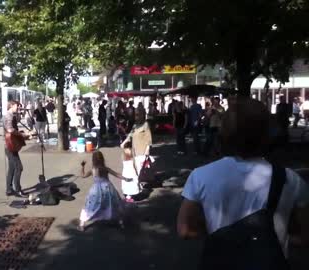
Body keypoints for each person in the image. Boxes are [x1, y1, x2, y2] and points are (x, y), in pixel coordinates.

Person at [177, 97, 309, 266]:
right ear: (267, 134)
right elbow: (305, 236)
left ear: (224, 132)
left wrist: (220, 233)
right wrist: (282, 236)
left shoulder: (200, 176)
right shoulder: (291, 180)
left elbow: (185, 229)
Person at [79, 151, 127, 231]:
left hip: (96, 190)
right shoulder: (105, 168)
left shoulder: (93, 170)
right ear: (102, 159)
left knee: (90, 206)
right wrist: (125, 178)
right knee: (114, 203)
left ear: (93, 160)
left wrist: (82, 166)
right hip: (108, 188)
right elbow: (116, 174)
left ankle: (82, 224)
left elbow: (83, 176)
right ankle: (121, 222)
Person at [4, 101, 30, 198]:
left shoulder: (12, 115)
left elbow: (14, 129)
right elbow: (10, 129)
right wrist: (22, 135)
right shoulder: (9, 115)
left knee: (12, 167)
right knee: (19, 167)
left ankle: (9, 189)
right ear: (11, 106)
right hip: (10, 146)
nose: (18, 107)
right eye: (17, 106)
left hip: (10, 146)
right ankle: (18, 190)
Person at [120, 107, 153, 178]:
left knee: (142, 167)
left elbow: (149, 138)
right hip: (135, 149)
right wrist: (124, 142)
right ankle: (139, 180)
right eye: (135, 115)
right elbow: (130, 135)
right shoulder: (135, 125)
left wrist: (147, 149)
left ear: (142, 115)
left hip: (142, 149)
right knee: (136, 166)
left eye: (137, 114)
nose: (136, 116)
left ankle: (142, 181)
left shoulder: (146, 124)